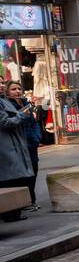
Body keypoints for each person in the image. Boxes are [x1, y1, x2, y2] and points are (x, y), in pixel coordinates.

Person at [0, 85, 35, 221]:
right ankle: (9, 213)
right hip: (6, 144)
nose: (2, 85)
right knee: (9, 178)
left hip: (12, 142)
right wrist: (22, 115)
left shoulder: (4, 100)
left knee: (14, 178)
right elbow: (4, 122)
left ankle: (13, 212)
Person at [6, 82, 41, 209]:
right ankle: (26, 202)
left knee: (34, 171)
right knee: (24, 175)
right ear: (8, 92)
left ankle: (32, 199)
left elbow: (33, 122)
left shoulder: (25, 103)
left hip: (32, 143)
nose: (17, 91)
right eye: (13, 89)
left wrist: (37, 137)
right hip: (20, 144)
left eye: (19, 88)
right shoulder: (8, 105)